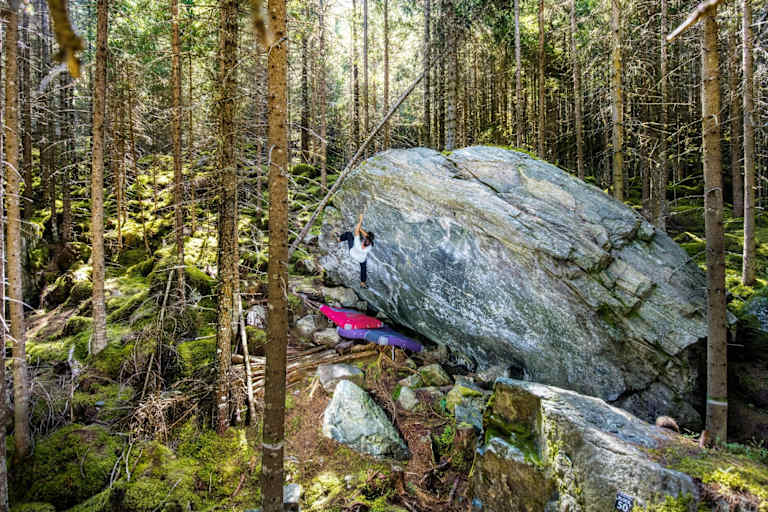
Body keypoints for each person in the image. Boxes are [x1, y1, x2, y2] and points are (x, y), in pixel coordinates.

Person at [338, 213, 375, 288]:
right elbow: (368, 238)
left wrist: (360, 220)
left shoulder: (357, 242)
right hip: (361, 259)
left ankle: (339, 239)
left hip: (352, 253)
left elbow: (356, 230)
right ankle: (362, 282)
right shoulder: (370, 246)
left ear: (364, 240)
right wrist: (361, 230)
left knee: (349, 234)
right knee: (363, 268)